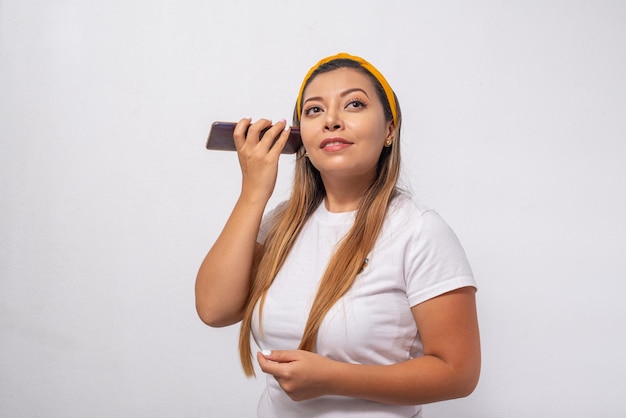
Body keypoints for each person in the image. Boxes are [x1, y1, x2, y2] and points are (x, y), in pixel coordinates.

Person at [195, 52, 481, 417]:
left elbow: (459, 373)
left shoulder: (419, 230)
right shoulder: (280, 225)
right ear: (300, 137)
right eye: (314, 111)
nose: (331, 120)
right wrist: (254, 192)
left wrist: (335, 379)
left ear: (389, 130)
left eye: (354, 104)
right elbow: (214, 310)